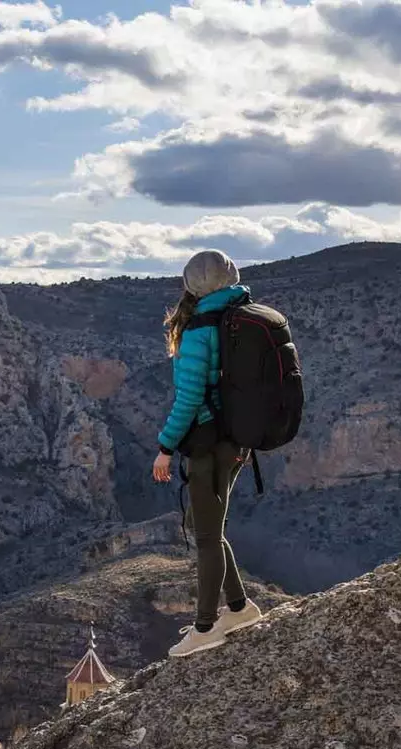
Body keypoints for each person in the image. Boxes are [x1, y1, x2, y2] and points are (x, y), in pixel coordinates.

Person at [152, 249, 264, 657]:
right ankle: (238, 607)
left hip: (208, 443)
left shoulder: (200, 331)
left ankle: (205, 628)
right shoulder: (243, 316)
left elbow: (189, 399)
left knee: (204, 536)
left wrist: (165, 448)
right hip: (235, 441)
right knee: (205, 522)